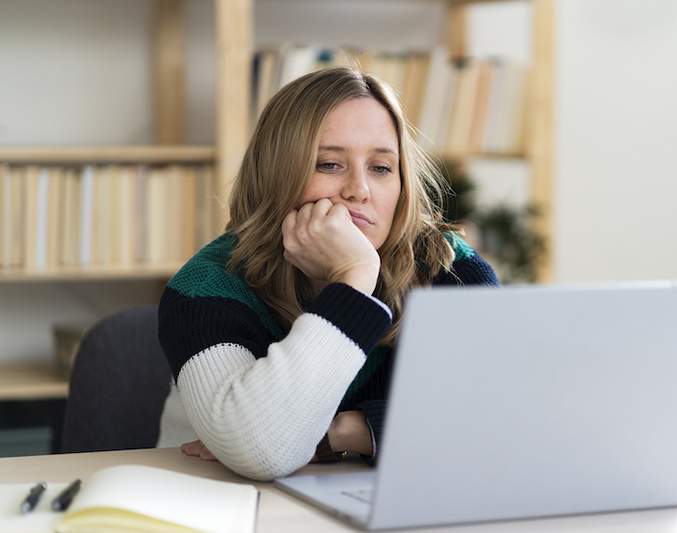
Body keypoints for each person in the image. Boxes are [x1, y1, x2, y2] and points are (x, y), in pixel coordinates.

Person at [157, 67, 499, 481]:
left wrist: (340, 431)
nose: (360, 190)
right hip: (216, 502)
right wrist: (354, 277)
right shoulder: (206, 287)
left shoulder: (447, 265)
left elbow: (503, 412)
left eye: (381, 167)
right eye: (330, 164)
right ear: (276, 176)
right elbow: (262, 450)